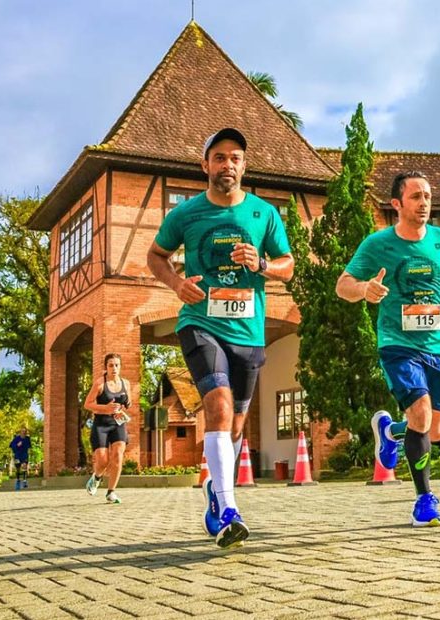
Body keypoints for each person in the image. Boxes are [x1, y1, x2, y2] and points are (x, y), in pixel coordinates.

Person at [147, 127, 295, 549]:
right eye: (219, 157)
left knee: (236, 425)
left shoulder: (264, 214)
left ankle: (217, 491)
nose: (227, 164)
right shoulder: (186, 215)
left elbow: (289, 264)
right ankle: (230, 509)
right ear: (205, 165)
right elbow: (155, 255)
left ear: (243, 166)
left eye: (235, 158)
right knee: (219, 405)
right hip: (200, 321)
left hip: (248, 330)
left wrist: (264, 263)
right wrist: (176, 284)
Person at [336, 171, 440, 527]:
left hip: (439, 345)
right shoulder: (378, 244)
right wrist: (364, 289)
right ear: (396, 204)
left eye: (427, 195)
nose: (424, 202)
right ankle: (424, 500)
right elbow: (343, 285)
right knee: (422, 413)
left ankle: (390, 431)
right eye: (415, 196)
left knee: (437, 429)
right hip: (399, 344)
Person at [83, 353, 133, 504]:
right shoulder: (100, 384)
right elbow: (88, 404)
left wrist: (125, 405)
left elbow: (129, 402)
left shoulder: (126, 383)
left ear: (120, 367)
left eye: (117, 365)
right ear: (106, 367)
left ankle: (111, 492)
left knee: (118, 456)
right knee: (103, 461)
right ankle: (97, 477)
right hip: (101, 424)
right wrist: (106, 408)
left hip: (118, 423)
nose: (114, 368)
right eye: (111, 365)